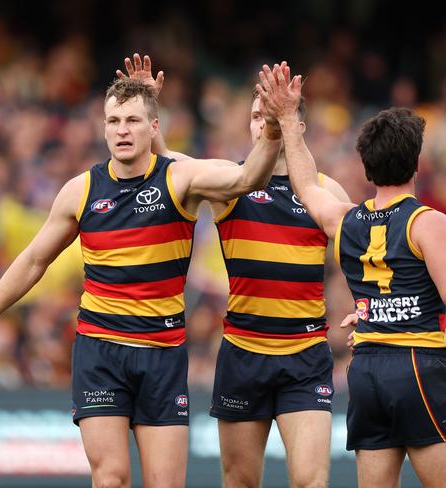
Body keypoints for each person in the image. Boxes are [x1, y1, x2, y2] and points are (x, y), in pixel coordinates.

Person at [0, 65, 299, 487]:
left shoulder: (180, 177)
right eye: (114, 121)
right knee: (111, 477)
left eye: (133, 120)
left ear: (153, 127)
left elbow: (249, 178)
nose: (122, 130)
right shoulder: (80, 191)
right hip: (101, 352)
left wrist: (274, 129)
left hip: (162, 353)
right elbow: (32, 261)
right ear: (103, 129)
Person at [119, 53, 350, 488]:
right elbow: (170, 163)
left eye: (272, 115)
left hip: (305, 354)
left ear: (296, 125)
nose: (261, 124)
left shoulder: (325, 191)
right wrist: (147, 108)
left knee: (311, 482)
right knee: (241, 481)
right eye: (255, 115)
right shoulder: (231, 182)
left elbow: (358, 255)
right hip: (244, 353)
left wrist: (367, 304)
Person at [258, 66, 446, 487]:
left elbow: (306, 186)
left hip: (366, 372)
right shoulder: (429, 223)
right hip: (418, 363)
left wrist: (289, 120)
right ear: (416, 163)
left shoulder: (345, 221)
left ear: (366, 168)